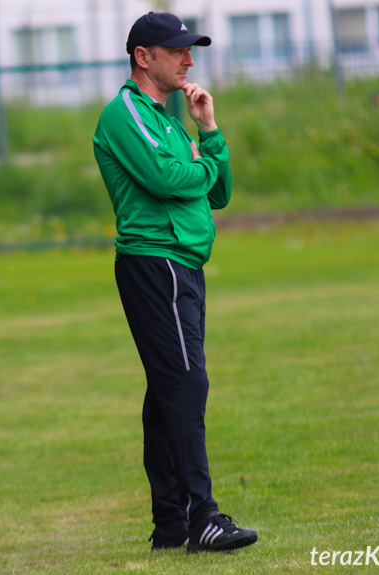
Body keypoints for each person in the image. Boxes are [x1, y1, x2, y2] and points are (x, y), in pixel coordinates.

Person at [92, 13, 257, 553]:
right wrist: (197, 168)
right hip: (154, 263)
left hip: (183, 264)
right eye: (178, 50)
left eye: (191, 50)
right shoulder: (124, 113)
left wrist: (207, 133)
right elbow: (166, 179)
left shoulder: (171, 120)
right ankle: (202, 516)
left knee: (170, 391)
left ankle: (171, 525)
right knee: (185, 384)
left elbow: (218, 192)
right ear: (144, 56)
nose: (189, 60)